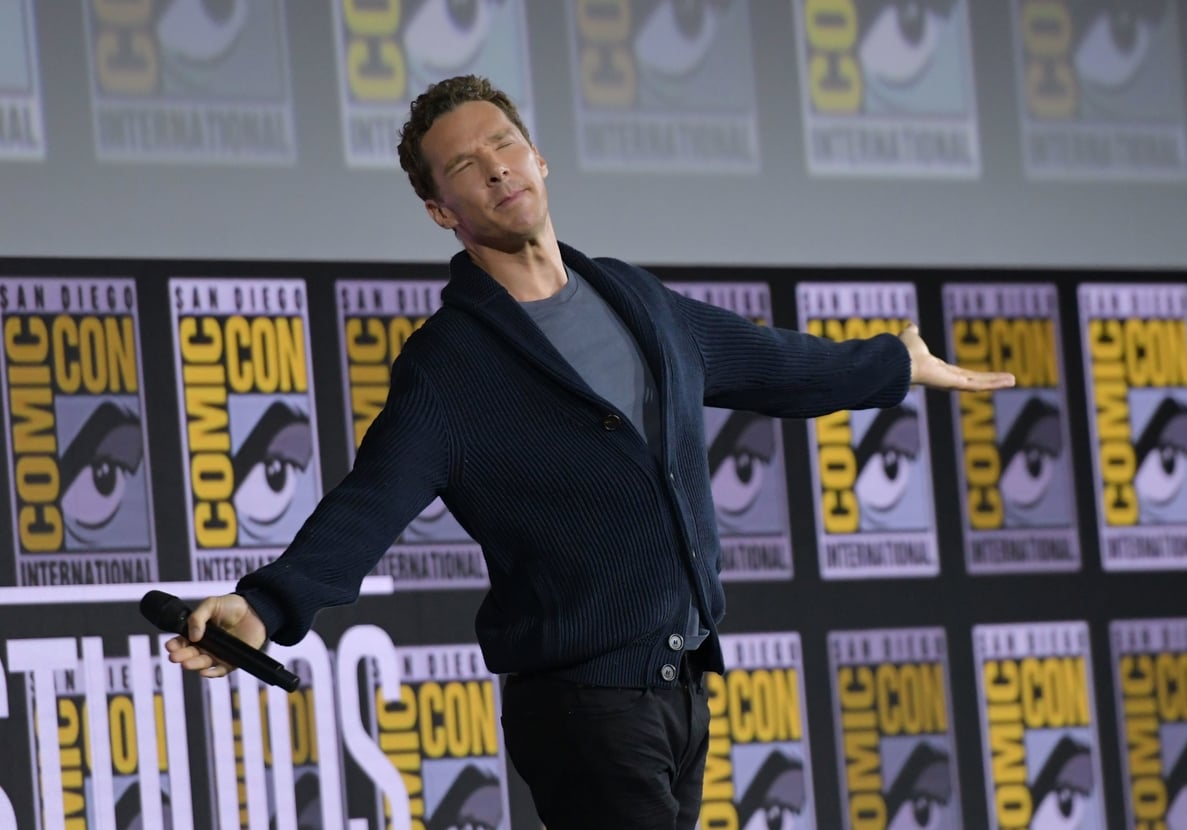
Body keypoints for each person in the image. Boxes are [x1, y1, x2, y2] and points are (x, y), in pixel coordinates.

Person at [165, 74, 1014, 829]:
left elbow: (769, 363)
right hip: (585, 707)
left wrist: (892, 364)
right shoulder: (450, 365)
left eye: (505, 144)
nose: (496, 168)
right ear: (441, 211)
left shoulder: (630, 294)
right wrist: (266, 604)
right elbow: (372, 500)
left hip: (681, 687)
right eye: (464, 165)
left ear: (538, 159)